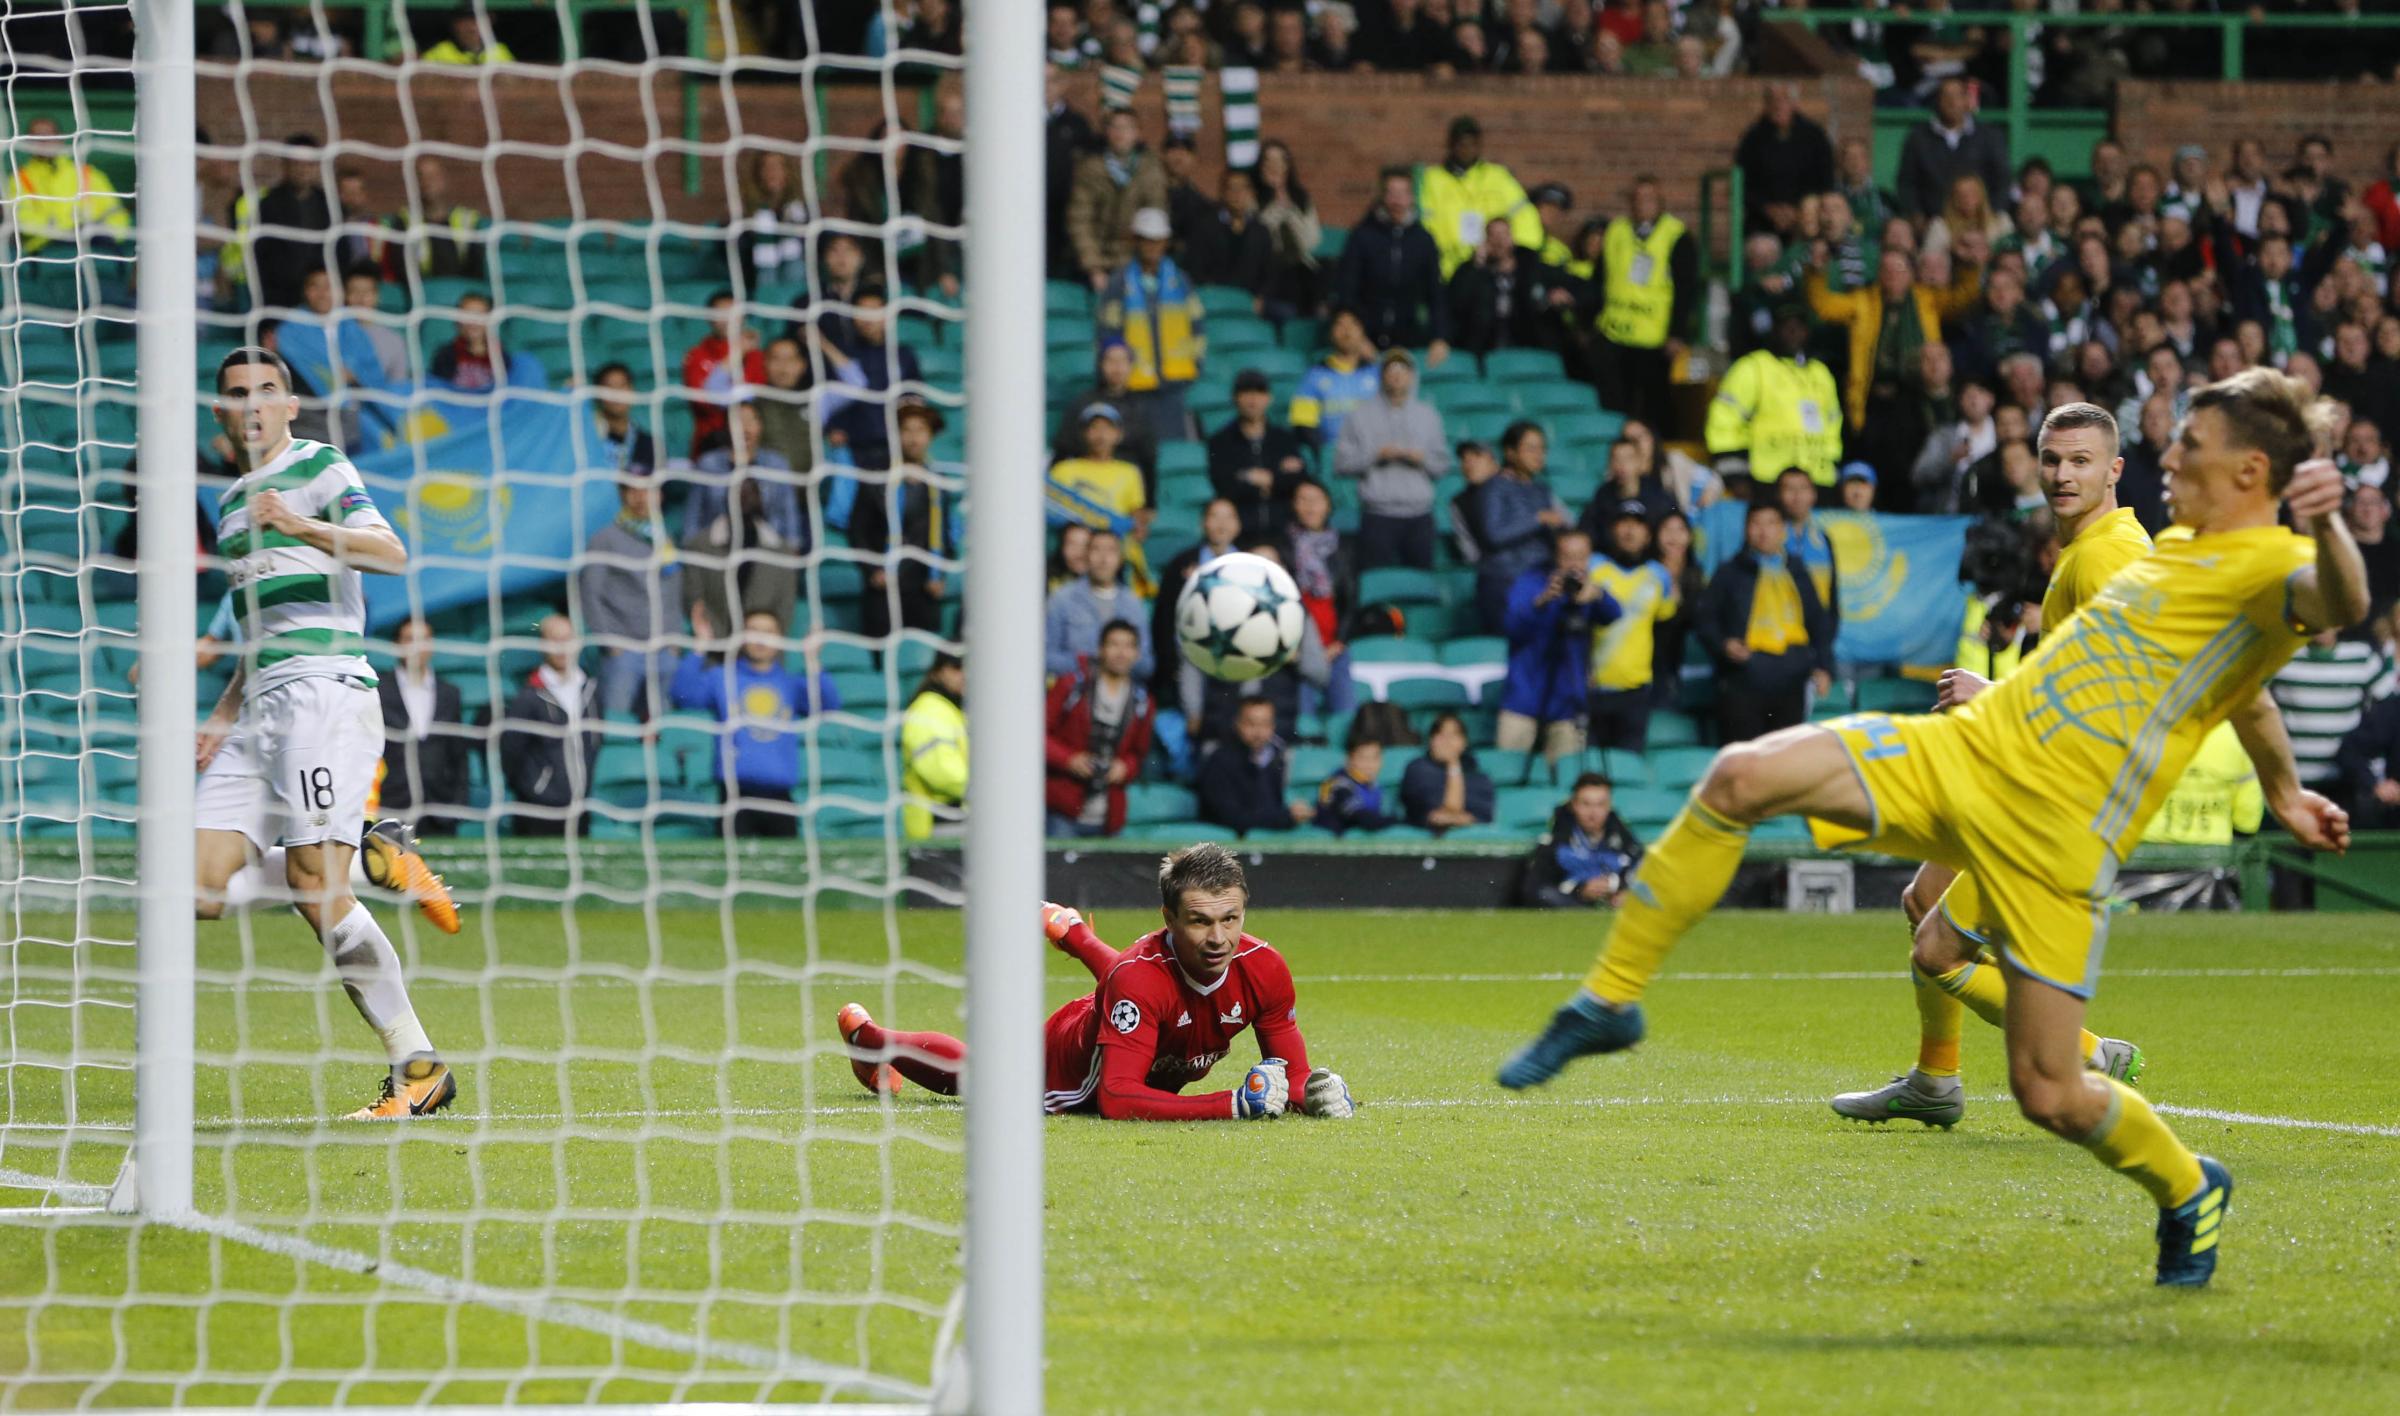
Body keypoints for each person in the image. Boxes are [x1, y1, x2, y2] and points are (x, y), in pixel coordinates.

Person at [1500, 368, 2370, 1291]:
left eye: (2190, 445)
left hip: (2055, 831)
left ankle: (2189, 1186)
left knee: (2049, 1094)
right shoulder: (2166, 552)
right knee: (1740, 775)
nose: (2169, 458)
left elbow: (2342, 602)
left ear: (2253, 469)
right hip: (1976, 753)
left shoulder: (2274, 562)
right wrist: (2283, 791)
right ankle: (1611, 999)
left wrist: (2327, 524)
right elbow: (2248, 694)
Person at [1830, 404, 2161, 1128]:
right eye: (2051, 458)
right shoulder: (2089, 546)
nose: (2062, 473)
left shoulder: (2108, 555)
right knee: (1924, 899)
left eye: (2080, 460)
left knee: (1938, 951)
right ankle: (1935, 1082)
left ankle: (2089, 1053)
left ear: (2114, 470)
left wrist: (1999, 695)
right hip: (2031, 776)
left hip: (2067, 794)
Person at [193, 346, 459, 1121]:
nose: (252, 405)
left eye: (266, 391)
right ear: (221, 412)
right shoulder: (232, 504)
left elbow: (391, 554)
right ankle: (371, 856)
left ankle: (418, 1068)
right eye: (238, 394)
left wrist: (301, 523)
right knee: (199, 890)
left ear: (289, 405)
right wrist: (223, 709)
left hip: (324, 694)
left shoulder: (322, 467)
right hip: (260, 706)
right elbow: (258, 624)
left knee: (317, 889)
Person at [833, 853, 1354, 1120]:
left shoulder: (1265, 967)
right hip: (1071, 1067)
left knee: (1146, 982)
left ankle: (1073, 931)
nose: (1219, 938)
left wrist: (1315, 1094)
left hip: (1132, 1003)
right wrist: (1232, 1104)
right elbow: (1118, 1098)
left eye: (1231, 918)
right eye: (1198, 921)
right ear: (1167, 918)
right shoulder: (1139, 975)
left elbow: (1295, 1070)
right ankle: (868, 1042)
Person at [668, 605, 837, 838]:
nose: (760, 639)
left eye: (768, 631)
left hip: (780, 796)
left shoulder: (790, 683)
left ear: (780, 638)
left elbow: (828, 706)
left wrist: (812, 659)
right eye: (753, 630)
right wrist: (701, 646)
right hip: (735, 796)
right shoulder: (723, 678)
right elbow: (682, 694)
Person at [1700, 500, 1832, 744]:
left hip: (1791, 678)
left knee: (1785, 758)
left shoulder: (1796, 569)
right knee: (1745, 759)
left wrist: (1823, 666)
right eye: (1756, 523)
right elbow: (1705, 618)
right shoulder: (1730, 572)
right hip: (1745, 677)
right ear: (1746, 529)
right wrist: (1724, 645)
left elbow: (1818, 621)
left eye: (1771, 523)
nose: (1763, 531)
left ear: (1782, 530)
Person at [1499, 528, 1618, 768]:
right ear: (1555, 556)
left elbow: (1614, 614)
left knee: (1568, 777)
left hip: (1567, 703)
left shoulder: (1589, 588)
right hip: (1523, 699)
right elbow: (1511, 625)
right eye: (1567, 556)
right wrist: (1543, 600)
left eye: (1581, 557)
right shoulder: (1530, 582)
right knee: (1508, 773)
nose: (1574, 564)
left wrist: (1598, 596)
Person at [684, 400, 805, 631]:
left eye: (751, 421)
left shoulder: (777, 465)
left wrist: (789, 553)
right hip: (719, 549)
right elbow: (694, 516)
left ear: (761, 426)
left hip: (766, 551)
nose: (745, 427)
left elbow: (789, 518)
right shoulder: (708, 464)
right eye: (738, 421)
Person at [1584, 176, 1695, 428]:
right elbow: (1599, 280)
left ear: (1660, 202)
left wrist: (1677, 333)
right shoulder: (1615, 231)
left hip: (1653, 337)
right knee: (1612, 402)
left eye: (1649, 198)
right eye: (1637, 198)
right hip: (1613, 331)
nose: (1642, 204)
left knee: (1653, 406)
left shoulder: (1676, 235)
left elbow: (1686, 289)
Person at [579, 471, 684, 719]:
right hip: (624, 651)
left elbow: (674, 591)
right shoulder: (604, 539)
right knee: (616, 721)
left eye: (647, 490)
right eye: (633, 490)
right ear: (623, 495)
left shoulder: (665, 538)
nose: (641, 497)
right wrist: (611, 643)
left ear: (659, 496)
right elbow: (589, 593)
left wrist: (674, 640)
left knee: (664, 724)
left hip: (664, 650)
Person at [1334, 348, 1451, 570]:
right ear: (1382, 375)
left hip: (1420, 515)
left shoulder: (1429, 416)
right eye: (1390, 370)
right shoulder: (1359, 415)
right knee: (1376, 584)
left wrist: (1421, 459)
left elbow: (1442, 466)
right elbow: (1341, 464)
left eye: (1403, 370)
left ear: (1412, 376)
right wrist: (1375, 456)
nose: (1396, 375)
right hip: (1378, 515)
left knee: (1421, 584)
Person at [1097, 207, 1206, 439]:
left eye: (1158, 241)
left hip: (1175, 384)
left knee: (1174, 446)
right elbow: (1108, 333)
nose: (1153, 247)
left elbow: (1197, 326)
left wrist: (1195, 364)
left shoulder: (1181, 281)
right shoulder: (1119, 283)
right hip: (1134, 385)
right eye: (1147, 241)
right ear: (1136, 241)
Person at [1706, 306, 1843, 490]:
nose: (1794, 332)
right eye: (1787, 326)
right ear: (1774, 330)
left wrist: (1831, 466)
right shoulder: (1753, 367)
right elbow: (1724, 420)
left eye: (1799, 327)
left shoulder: (1820, 373)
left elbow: (1833, 426)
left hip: (1815, 481)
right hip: (1765, 479)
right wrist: (1734, 472)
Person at [852, 401, 955, 640]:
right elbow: (857, 531)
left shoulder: (939, 483)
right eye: (906, 429)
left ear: (930, 435)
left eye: (920, 430)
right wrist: (872, 571)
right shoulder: (876, 478)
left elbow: (947, 534)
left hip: (924, 590)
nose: (913, 437)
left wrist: (939, 576)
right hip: (884, 588)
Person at [1044, 620, 1157, 838]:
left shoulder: (1143, 702)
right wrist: (1069, 759)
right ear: (1100, 649)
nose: (1121, 653)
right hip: (1063, 810)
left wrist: (1124, 768)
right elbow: (1037, 735)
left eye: (1128, 646)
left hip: (1109, 815)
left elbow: (1138, 754)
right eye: (1114, 644)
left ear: (1137, 653)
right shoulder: (1071, 686)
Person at [1332, 167, 1452, 359]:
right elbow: (1347, 290)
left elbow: (1436, 294)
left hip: (1408, 341)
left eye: (1403, 194)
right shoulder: (1361, 236)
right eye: (1391, 193)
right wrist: (1358, 338)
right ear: (1382, 196)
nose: (1397, 201)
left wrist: (1440, 337)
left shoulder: (1424, 241)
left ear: (1412, 198)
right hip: (1365, 341)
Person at [1586, 505, 1679, 752]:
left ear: (1648, 534)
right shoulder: (1593, 567)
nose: (1629, 530)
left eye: (1637, 524)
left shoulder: (1659, 576)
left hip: (1635, 691)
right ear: (1612, 530)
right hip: (1592, 687)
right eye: (1623, 522)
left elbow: (1665, 625)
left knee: (1630, 767)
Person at [501, 614, 602, 840]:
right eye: (554, 640)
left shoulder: (592, 692)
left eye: (567, 639)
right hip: (537, 810)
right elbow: (510, 752)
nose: (561, 647)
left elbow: (594, 743)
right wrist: (535, 789)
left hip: (579, 807)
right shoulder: (528, 696)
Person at [1471, 420, 1571, 633]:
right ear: (1510, 452)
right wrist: (1538, 519)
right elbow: (1493, 534)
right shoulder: (1493, 488)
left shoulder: (1541, 489)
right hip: (1504, 582)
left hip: (1539, 580)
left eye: (1542, 448)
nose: (1538, 455)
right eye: (1531, 448)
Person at [1417, 115, 1543, 279]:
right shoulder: (1431, 180)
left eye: (1472, 144)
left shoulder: (1498, 177)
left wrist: (1517, 256)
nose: (1467, 149)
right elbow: (1425, 226)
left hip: (1493, 270)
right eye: (1461, 144)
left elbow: (1526, 219)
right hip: (1447, 272)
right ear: (1451, 145)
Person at [375, 618, 469, 836]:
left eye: (423, 639)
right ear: (397, 645)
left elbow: (458, 752)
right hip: (390, 806)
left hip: (440, 810)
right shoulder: (378, 690)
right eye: (409, 639)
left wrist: (458, 803)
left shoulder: (450, 693)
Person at [1068, 108, 1169, 293]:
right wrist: (1094, 268)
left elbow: (1156, 219)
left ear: (1137, 133)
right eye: (1114, 127)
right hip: (1099, 263)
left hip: (1137, 264)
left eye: (1127, 128)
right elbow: (1080, 221)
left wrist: (1147, 265)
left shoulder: (1151, 170)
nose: (1120, 133)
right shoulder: (1090, 169)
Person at [820, 289, 922, 472]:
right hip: (851, 447)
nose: (867, 319)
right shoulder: (842, 354)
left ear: (886, 316)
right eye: (861, 312)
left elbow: (915, 398)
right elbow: (829, 397)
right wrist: (832, 428)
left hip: (893, 446)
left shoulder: (903, 355)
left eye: (873, 312)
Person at [1051, 340, 1160, 499]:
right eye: (1111, 361)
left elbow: (1148, 458)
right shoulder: (1083, 403)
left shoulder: (1141, 407)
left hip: (1124, 491)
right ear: (1101, 365)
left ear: (1131, 366)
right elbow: (1063, 449)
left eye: (1122, 361)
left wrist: (1149, 503)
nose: (1117, 367)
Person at [1208, 368, 1308, 541]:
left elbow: (1298, 480)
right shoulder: (1221, 441)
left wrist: (1254, 477)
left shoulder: (1284, 439)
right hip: (1241, 534)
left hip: (1284, 531)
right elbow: (1225, 485)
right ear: (1235, 398)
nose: (1253, 400)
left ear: (1269, 398)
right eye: (1246, 393)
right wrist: (1277, 476)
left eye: (1259, 393)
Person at [1517, 773, 1643, 909]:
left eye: (1600, 804)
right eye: (1586, 804)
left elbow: (1644, 874)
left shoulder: (1627, 842)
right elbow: (1535, 889)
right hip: (1572, 907)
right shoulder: (1554, 842)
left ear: (1609, 806)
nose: (1593, 812)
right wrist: (1580, 891)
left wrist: (1622, 890)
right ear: (1574, 805)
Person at [1895, 76, 2010, 222]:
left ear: (1966, 100)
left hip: (1983, 222)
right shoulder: (1918, 138)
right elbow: (1906, 183)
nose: (1952, 102)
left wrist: (1992, 215)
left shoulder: (1989, 136)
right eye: (1946, 96)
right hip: (1935, 222)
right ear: (1938, 101)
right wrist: (1916, 215)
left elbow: (2003, 180)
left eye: (1957, 96)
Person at [1045, 528, 1153, 681]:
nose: (1103, 559)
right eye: (1096, 550)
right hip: (1076, 696)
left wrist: (1119, 661)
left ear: (1120, 559)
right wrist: (1091, 664)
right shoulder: (1062, 599)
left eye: (1111, 551)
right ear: (1087, 556)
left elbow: (1147, 663)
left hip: (1119, 698)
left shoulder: (1133, 604)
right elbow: (1047, 657)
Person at [1195, 697, 1315, 835]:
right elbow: (1233, 818)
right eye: (1251, 724)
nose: (1258, 732)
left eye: (1265, 724)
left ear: (1273, 727)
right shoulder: (1219, 761)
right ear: (1237, 724)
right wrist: (1286, 817)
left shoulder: (1276, 758)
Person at [1734, 84, 1835, 239]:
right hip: (1762, 221)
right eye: (1772, 101)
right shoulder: (1753, 139)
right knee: (1761, 250)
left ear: (1794, 103)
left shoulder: (1814, 136)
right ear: (1766, 105)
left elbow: (1825, 180)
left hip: (1807, 218)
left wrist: (1798, 211)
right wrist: (1769, 209)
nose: (1778, 105)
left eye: (1784, 100)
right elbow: (1743, 185)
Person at [375, 154, 488, 283]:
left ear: (445, 180)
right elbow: (403, 270)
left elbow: (477, 270)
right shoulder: (403, 222)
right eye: (421, 177)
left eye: (433, 176)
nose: (427, 182)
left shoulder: (468, 220)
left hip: (461, 295)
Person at [252, 134, 332, 310]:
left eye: (309, 164)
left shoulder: (330, 205)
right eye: (297, 163)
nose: (303, 170)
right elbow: (263, 256)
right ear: (285, 165)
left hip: (322, 298)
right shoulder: (269, 204)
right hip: (280, 299)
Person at [1289, 307, 1382, 456]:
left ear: (1363, 333)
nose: (1347, 331)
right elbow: (1303, 424)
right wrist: (1326, 455)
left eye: (1353, 324)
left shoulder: (1378, 373)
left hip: (1377, 454)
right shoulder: (1313, 376)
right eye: (1340, 325)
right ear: (1331, 333)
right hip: (1334, 458)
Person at [900, 652, 968, 840]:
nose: (964, 675)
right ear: (938, 670)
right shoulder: (929, 709)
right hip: (937, 824)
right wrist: (985, 789)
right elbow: (940, 771)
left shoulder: (950, 709)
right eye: (956, 668)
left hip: (955, 818)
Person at [684, 294, 761, 456]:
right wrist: (736, 354)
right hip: (711, 442)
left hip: (751, 443)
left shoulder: (755, 356)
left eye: (734, 313)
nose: (728, 319)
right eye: (722, 313)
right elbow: (704, 402)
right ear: (710, 318)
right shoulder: (696, 356)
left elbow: (754, 400)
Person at [1401, 711, 1496, 833]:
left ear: (1464, 742)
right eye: (1441, 734)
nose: (1447, 741)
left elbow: (1483, 817)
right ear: (1431, 740)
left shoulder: (1479, 777)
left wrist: (1462, 819)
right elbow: (1444, 812)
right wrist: (1453, 764)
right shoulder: (1417, 769)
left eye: (1453, 735)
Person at [585, 362, 659, 479]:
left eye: (622, 386)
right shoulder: (586, 440)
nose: (616, 393)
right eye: (609, 387)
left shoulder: (649, 444)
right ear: (597, 395)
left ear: (632, 391)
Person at [1314, 735, 1389, 836]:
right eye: (1363, 758)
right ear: (1349, 760)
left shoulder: (1374, 784)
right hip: (1332, 838)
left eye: (1375, 758)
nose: (1370, 765)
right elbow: (1360, 816)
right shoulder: (1338, 783)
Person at [423, 6, 516, 63]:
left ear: (491, 21)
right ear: (454, 23)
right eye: (465, 20)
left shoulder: (499, 52)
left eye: (476, 19)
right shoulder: (438, 53)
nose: (472, 27)